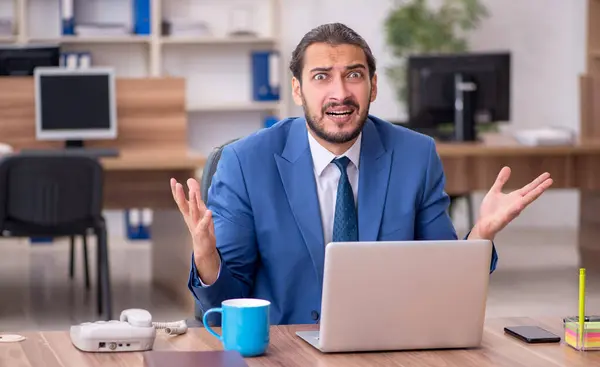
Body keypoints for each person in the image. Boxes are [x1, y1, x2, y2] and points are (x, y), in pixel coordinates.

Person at [171, 23, 553, 325]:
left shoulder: (415, 156)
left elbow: (443, 285)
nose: (340, 93)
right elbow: (224, 307)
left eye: (353, 75)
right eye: (321, 77)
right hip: (284, 355)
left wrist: (481, 234)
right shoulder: (245, 162)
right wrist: (206, 257)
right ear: (298, 90)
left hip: (389, 348)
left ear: (373, 86)